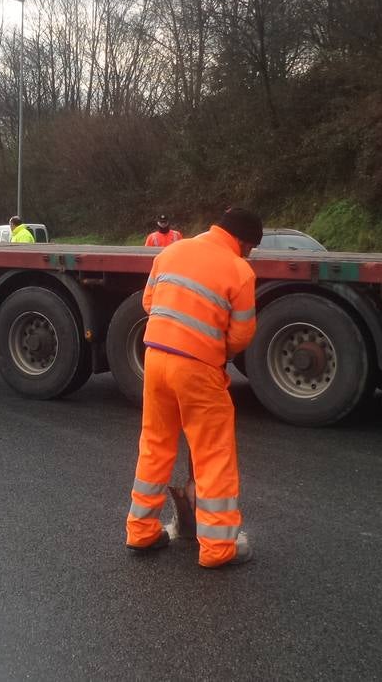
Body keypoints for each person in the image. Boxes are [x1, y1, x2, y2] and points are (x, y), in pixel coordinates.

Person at [125, 206, 261, 568]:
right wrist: (216, 350)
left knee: (154, 445)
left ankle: (141, 531)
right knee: (213, 454)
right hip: (199, 368)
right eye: (250, 247)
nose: (249, 254)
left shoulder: (172, 251)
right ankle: (218, 549)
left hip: (155, 359)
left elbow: (148, 302)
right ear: (244, 242)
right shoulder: (240, 270)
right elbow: (243, 333)